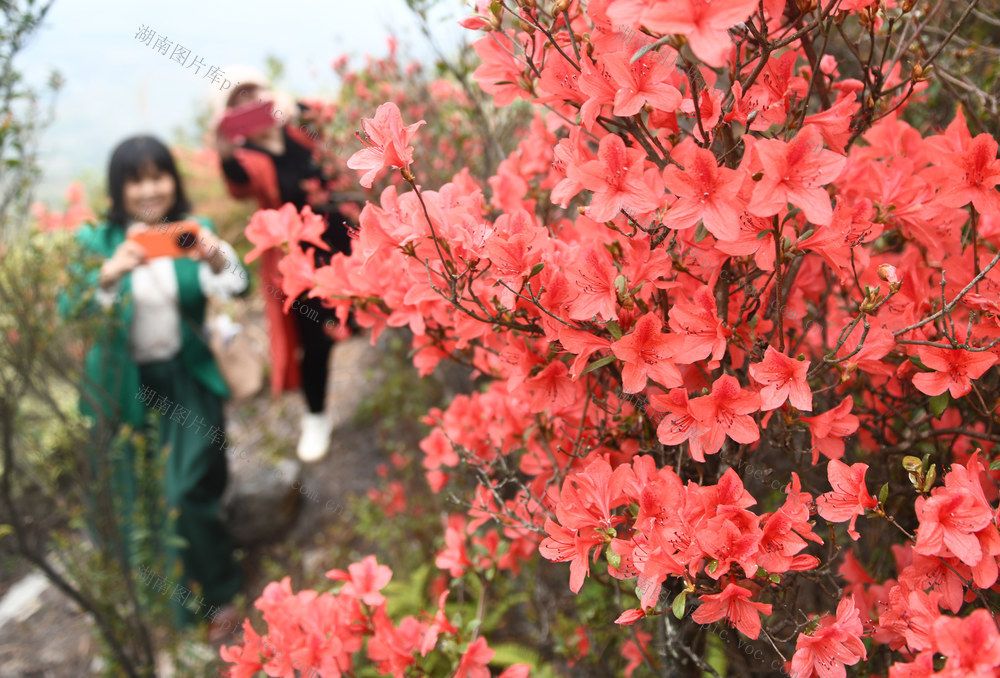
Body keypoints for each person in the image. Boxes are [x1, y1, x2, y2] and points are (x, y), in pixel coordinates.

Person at [73, 135, 245, 643]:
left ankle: (218, 591)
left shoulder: (194, 232)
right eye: (137, 180)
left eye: (159, 176)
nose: (150, 189)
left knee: (185, 490)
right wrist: (109, 274)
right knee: (139, 496)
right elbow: (72, 311)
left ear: (174, 180)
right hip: (126, 386)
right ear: (118, 189)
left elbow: (238, 285)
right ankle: (170, 605)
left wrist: (213, 258)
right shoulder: (99, 243)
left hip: (186, 378)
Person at [212, 66, 352, 463]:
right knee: (316, 342)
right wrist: (224, 153)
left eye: (254, 95)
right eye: (238, 106)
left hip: (345, 241)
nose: (250, 106)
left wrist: (297, 106)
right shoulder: (250, 157)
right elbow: (240, 183)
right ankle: (315, 416)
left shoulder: (298, 129)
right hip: (300, 261)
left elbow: (335, 118)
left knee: (369, 307)